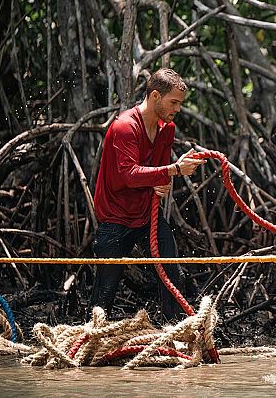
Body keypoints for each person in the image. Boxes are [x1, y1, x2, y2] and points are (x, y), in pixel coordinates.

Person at [87, 68, 205, 321]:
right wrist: (174, 169)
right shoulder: (125, 126)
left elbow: (158, 174)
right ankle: (91, 335)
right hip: (116, 217)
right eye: (173, 102)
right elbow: (130, 174)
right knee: (105, 290)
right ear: (155, 96)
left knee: (171, 273)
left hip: (146, 215)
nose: (178, 109)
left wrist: (164, 182)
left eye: (180, 103)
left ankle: (175, 329)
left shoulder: (167, 129)